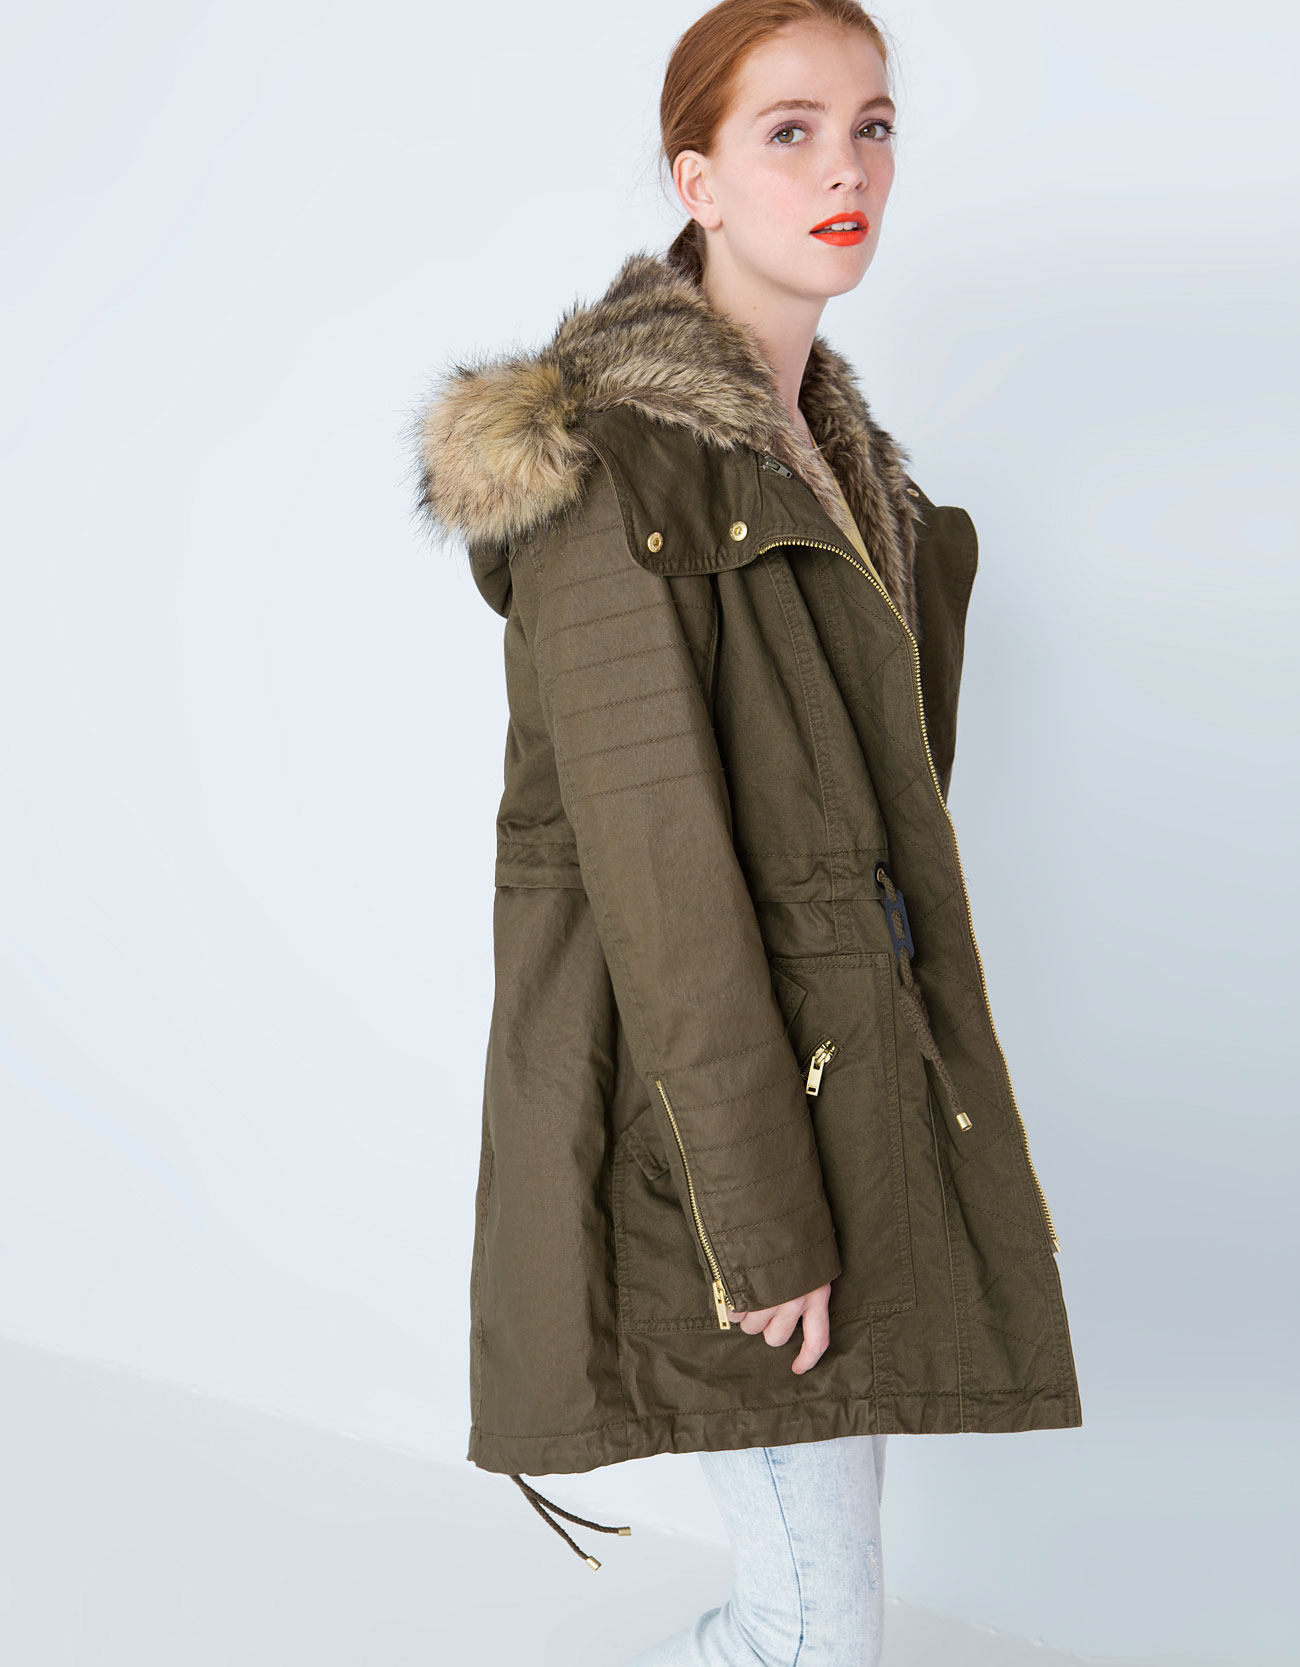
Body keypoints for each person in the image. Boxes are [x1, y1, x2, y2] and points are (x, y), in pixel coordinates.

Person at [411, 3, 1082, 1662]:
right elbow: (660, 884)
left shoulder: (849, 483)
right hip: (720, 1137)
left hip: (840, 1094)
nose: (847, 168)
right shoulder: (611, 475)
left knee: (809, 1595)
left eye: (873, 126)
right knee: (816, 1621)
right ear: (696, 179)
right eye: (791, 131)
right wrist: (763, 1222)